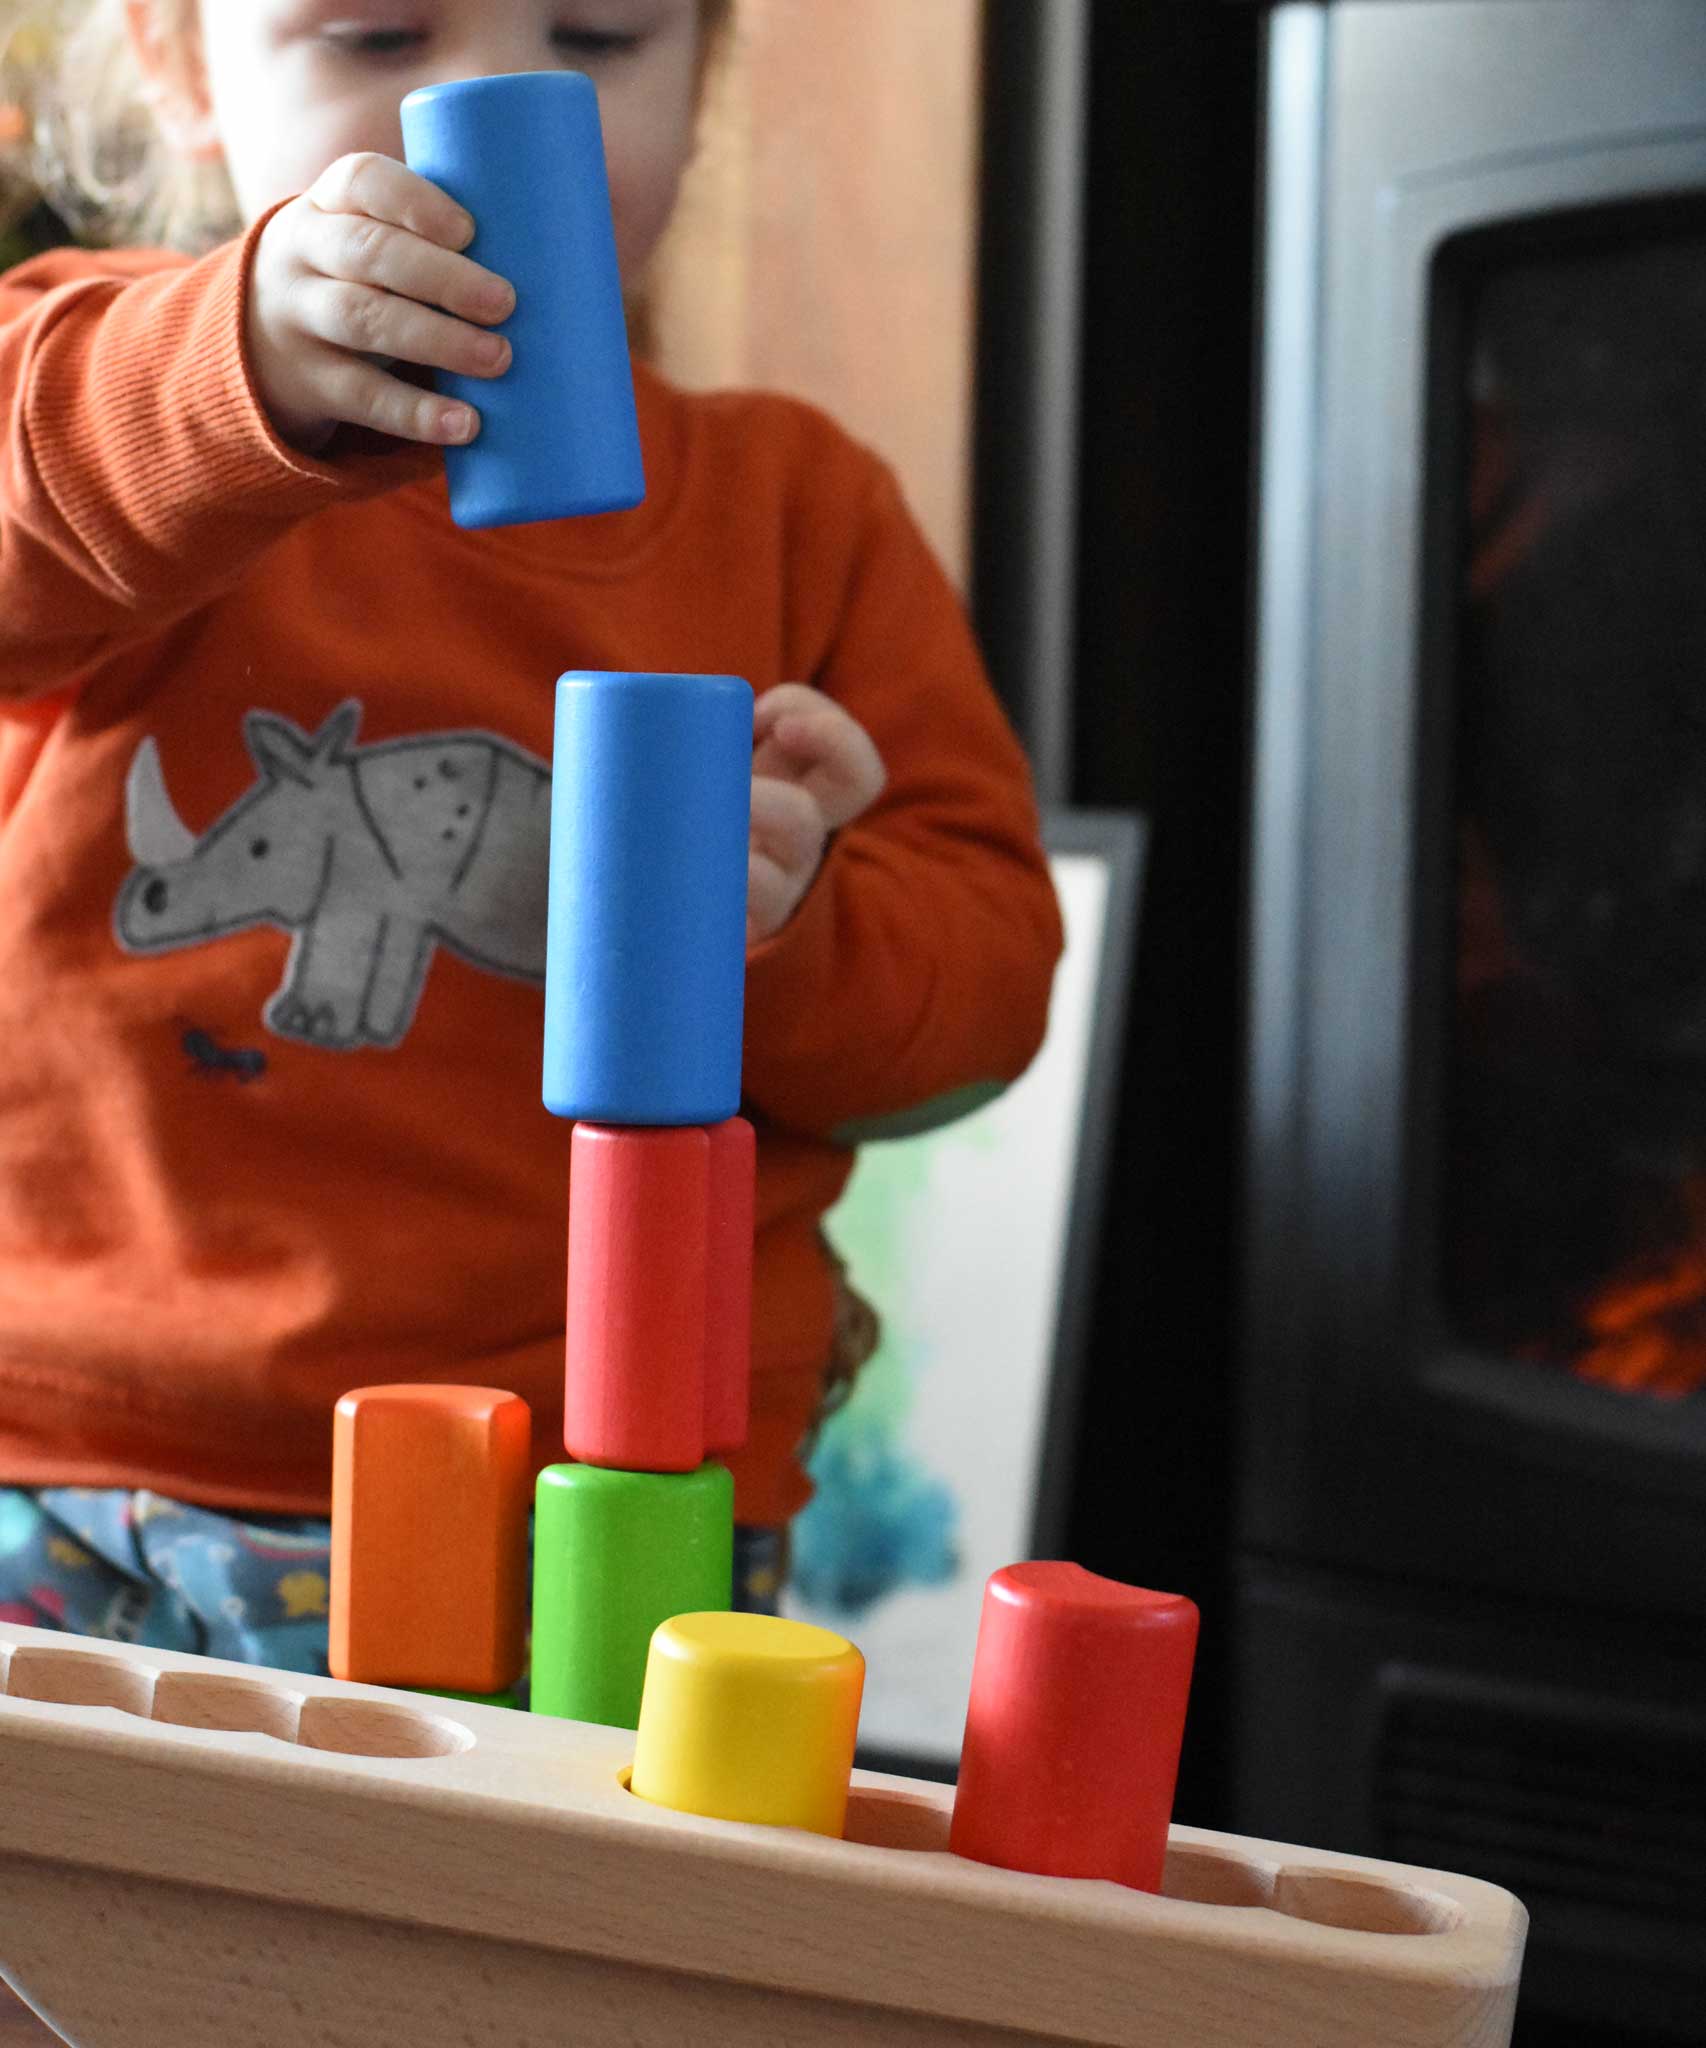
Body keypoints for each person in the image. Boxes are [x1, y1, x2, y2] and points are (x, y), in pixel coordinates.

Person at [0, 0, 1062, 1671]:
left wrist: (791, 925)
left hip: (599, 1497)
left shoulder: (799, 508)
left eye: (598, 35)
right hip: (72, 1466)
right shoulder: (104, 396)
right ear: (185, 67)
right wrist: (233, 370)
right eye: (373, 35)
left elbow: (979, 1008)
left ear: (705, 82)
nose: (493, 101)